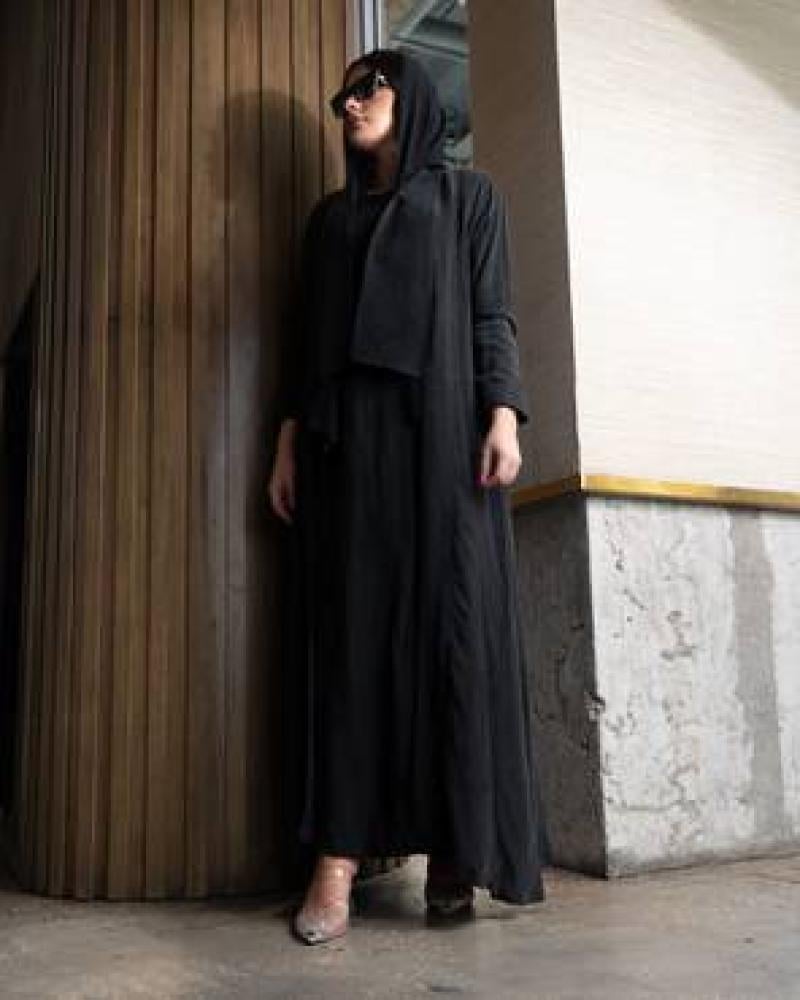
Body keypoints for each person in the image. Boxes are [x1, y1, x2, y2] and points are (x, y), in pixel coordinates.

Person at [268, 48, 545, 946]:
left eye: (368, 89)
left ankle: (457, 855)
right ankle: (337, 860)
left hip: (447, 443)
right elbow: (307, 345)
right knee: (352, 640)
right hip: (351, 450)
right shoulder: (330, 222)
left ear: (412, 95)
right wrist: (287, 441)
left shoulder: (470, 199)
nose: (349, 105)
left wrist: (502, 413)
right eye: (342, 97)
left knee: (450, 637)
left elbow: (490, 312)